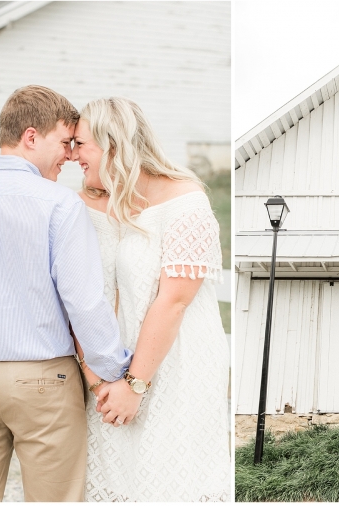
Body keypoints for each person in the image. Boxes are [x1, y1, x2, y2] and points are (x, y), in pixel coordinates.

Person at [0, 86, 138, 502]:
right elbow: (83, 301)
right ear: (32, 137)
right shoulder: (60, 206)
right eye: (64, 142)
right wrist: (116, 372)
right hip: (44, 381)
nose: (70, 156)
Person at [70, 97, 230, 501]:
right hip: (107, 371)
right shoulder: (85, 202)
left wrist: (134, 386)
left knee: (168, 477)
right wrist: (98, 382)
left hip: (176, 364)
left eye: (81, 144)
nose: (73, 155)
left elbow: (173, 301)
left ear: (113, 146)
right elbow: (76, 294)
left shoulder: (184, 201)